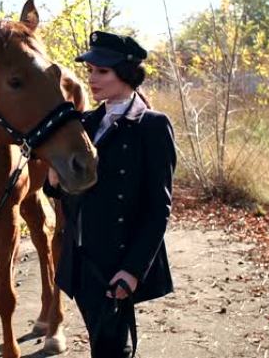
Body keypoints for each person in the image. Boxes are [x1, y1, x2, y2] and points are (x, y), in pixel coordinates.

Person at [44, 31, 177, 358]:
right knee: (106, 343)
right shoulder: (85, 123)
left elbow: (158, 208)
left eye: (101, 71)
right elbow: (62, 191)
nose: (92, 78)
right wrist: (53, 179)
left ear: (127, 74)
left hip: (117, 260)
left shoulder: (152, 126)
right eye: (90, 71)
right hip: (82, 260)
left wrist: (132, 270)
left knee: (112, 348)